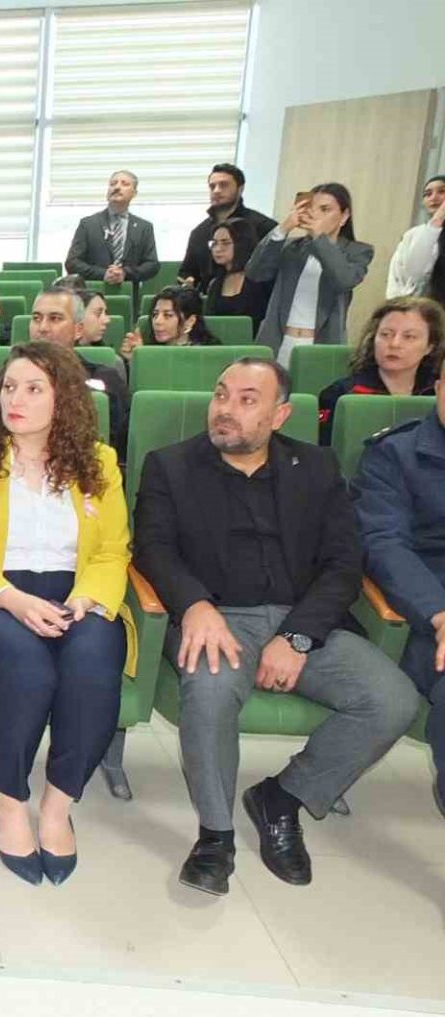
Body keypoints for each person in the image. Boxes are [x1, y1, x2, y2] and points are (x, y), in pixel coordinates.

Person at [133, 358, 417, 896]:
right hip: (216, 618)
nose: (226, 409)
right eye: (221, 395)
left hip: (303, 618)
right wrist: (194, 605)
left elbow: (343, 564)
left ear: (280, 414)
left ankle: (282, 797)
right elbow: (154, 548)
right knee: (211, 690)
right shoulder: (170, 466)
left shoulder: (316, 467)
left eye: (247, 400)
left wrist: (297, 637)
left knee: (392, 700)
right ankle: (215, 836)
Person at [0, 342, 132, 885]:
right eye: (8, 387)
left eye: (32, 389)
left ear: (63, 398)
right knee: (28, 669)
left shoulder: (99, 463)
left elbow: (113, 551)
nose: (14, 400)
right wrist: (13, 599)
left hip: (77, 594)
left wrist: (85, 600)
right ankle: (9, 801)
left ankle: (57, 806)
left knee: (93, 663)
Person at [352, 370, 445, 814]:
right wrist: (438, 613)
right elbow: (384, 545)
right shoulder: (396, 453)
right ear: (438, 387)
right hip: (426, 612)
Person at [0, 288, 129, 454]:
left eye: (55, 318)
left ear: (78, 330)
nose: (42, 328)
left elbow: (119, 447)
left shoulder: (106, 380)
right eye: (36, 318)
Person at [246, 183, 374, 367]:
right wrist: (283, 228)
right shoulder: (290, 247)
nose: (316, 215)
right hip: (278, 342)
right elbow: (255, 273)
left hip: (321, 345)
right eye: (311, 209)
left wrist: (319, 238)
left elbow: (344, 280)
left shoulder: (358, 251)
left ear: (344, 216)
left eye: (325, 210)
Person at [318, 297, 444, 444]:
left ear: (430, 346)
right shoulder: (341, 393)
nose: (394, 344)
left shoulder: (438, 392)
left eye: (409, 337)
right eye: (386, 334)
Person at [178, 164, 279, 292]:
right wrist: (188, 281)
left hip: (250, 299)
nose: (216, 191)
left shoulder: (263, 226)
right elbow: (187, 271)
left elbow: (273, 270)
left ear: (240, 189)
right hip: (209, 299)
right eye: (212, 186)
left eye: (224, 185)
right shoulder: (199, 232)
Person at [64, 170, 160, 287]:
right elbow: (72, 263)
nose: (117, 187)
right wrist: (103, 274)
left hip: (129, 292)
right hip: (93, 292)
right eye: (113, 184)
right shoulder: (88, 224)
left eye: (124, 184)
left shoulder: (144, 227)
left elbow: (152, 265)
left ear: (134, 193)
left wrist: (125, 273)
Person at [202, 219, 272, 332]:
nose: (217, 249)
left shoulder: (259, 279)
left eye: (225, 243)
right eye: (214, 243)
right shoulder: (215, 284)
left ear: (242, 244)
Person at [121, 286, 219, 363]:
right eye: (155, 314)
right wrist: (136, 361)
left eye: (168, 315)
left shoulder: (209, 355)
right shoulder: (147, 346)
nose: (157, 321)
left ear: (190, 321)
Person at [385, 174, 444, 298]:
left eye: (442, 191)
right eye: (428, 194)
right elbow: (411, 273)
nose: (434, 197)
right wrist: (437, 220)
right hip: (420, 305)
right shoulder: (414, 235)